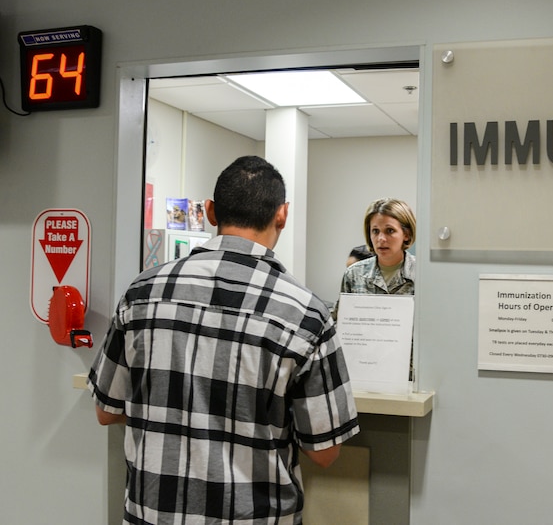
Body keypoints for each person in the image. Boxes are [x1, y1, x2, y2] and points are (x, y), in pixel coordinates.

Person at [88, 155, 360, 524]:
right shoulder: (305, 313)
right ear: (282, 215)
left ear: (211, 212)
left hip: (152, 514)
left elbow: (107, 410)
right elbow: (325, 452)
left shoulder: (143, 292)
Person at [334, 198, 416, 320]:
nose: (381, 238)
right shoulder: (354, 274)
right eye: (375, 231)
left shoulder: (422, 275)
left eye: (390, 230)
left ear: (406, 234)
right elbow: (342, 321)